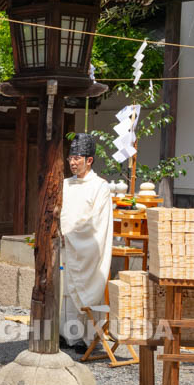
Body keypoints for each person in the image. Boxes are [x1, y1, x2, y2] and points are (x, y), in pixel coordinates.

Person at [60, 133, 113, 350]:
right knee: (65, 290)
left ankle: (87, 338)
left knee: (87, 288)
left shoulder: (100, 187)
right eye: (70, 158)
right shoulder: (64, 184)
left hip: (86, 247)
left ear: (89, 160)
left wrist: (69, 233)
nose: (72, 162)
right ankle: (67, 334)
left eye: (77, 158)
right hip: (66, 245)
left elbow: (96, 222)